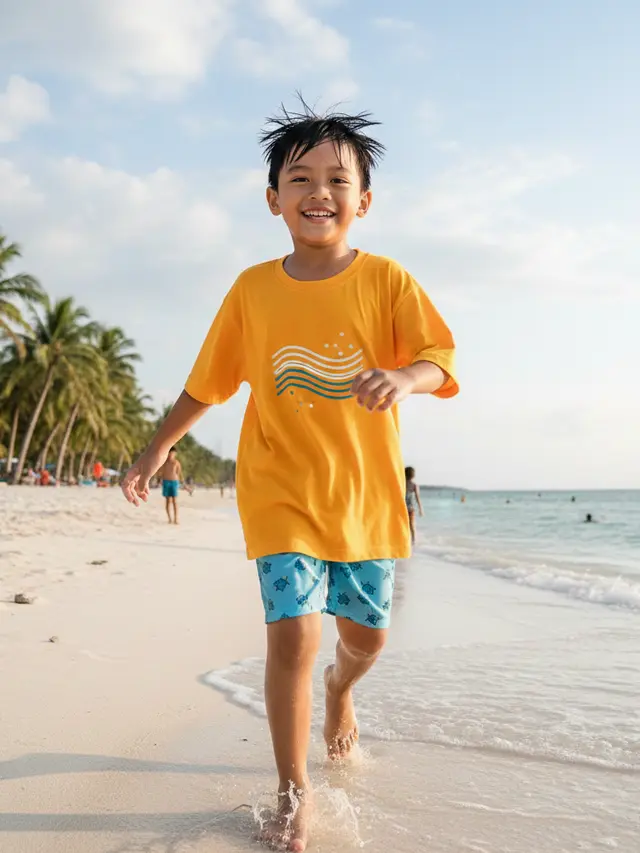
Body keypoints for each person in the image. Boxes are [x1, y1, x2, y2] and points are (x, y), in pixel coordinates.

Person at [121, 100, 458, 852]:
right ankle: (291, 790)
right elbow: (208, 383)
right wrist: (153, 448)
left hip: (366, 500)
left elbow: (441, 358)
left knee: (363, 639)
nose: (319, 190)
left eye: (338, 177)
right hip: (279, 495)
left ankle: (343, 690)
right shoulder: (251, 289)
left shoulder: (388, 280)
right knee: (293, 640)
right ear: (273, 197)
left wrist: (405, 378)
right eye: (299, 176)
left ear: (363, 199)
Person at [160, 447, 183, 524]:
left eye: (172, 453)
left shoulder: (176, 463)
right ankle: (169, 518)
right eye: (170, 453)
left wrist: (182, 483)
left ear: (175, 454)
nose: (171, 455)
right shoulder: (164, 462)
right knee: (167, 501)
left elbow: (179, 474)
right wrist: (160, 480)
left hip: (174, 482)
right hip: (166, 482)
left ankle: (176, 519)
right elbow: (161, 473)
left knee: (174, 501)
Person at [404, 466, 423, 544]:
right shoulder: (414, 485)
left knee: (406, 524)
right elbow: (418, 498)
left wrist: (420, 509)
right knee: (411, 525)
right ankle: (413, 541)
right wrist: (420, 509)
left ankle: (410, 540)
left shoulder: (402, 483)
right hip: (410, 508)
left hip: (403, 507)